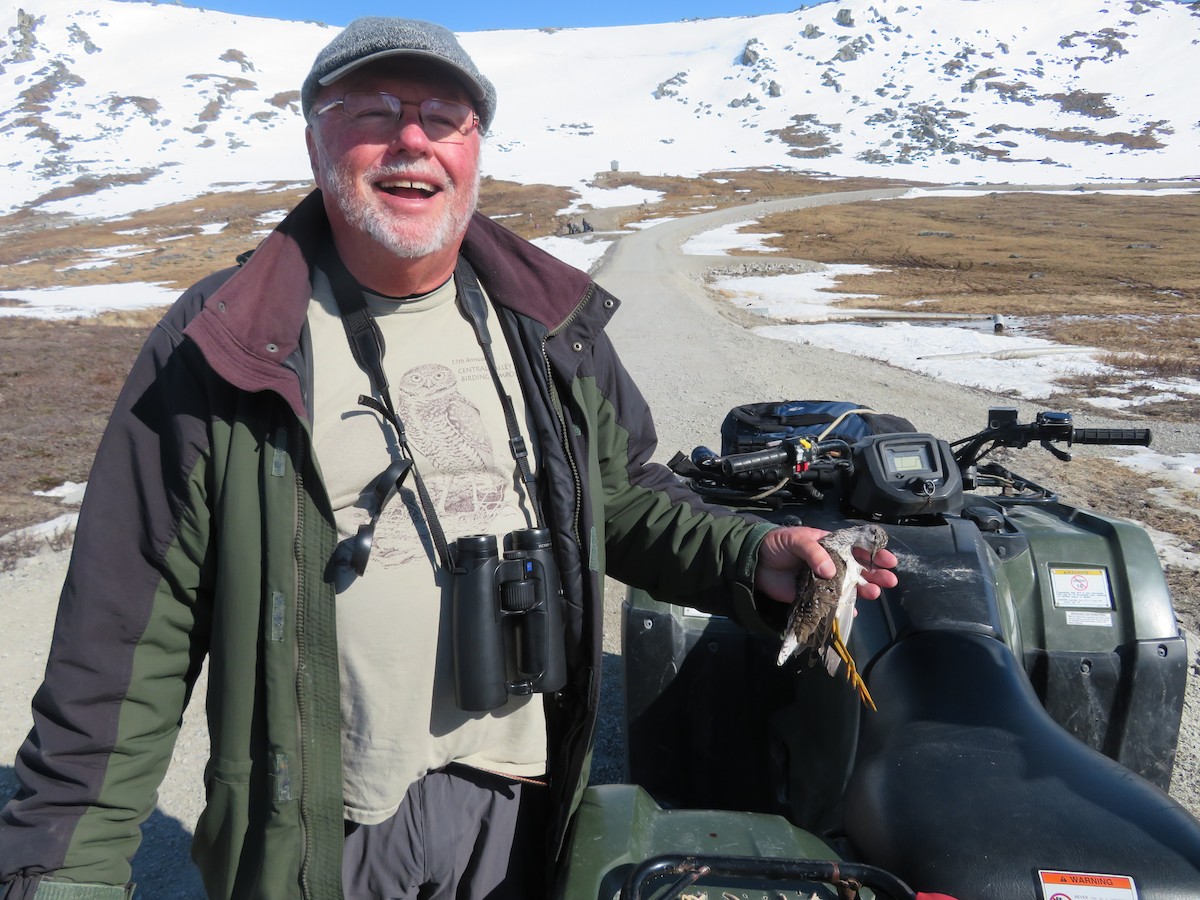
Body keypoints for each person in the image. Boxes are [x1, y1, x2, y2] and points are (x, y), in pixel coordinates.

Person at [0, 16, 897, 900]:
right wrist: (66, 874)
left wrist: (748, 555)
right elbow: (122, 640)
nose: (411, 141)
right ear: (316, 139)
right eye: (373, 112)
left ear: (475, 148)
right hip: (327, 826)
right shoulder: (230, 338)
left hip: (521, 805)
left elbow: (618, 499)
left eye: (444, 116)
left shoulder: (545, 322)